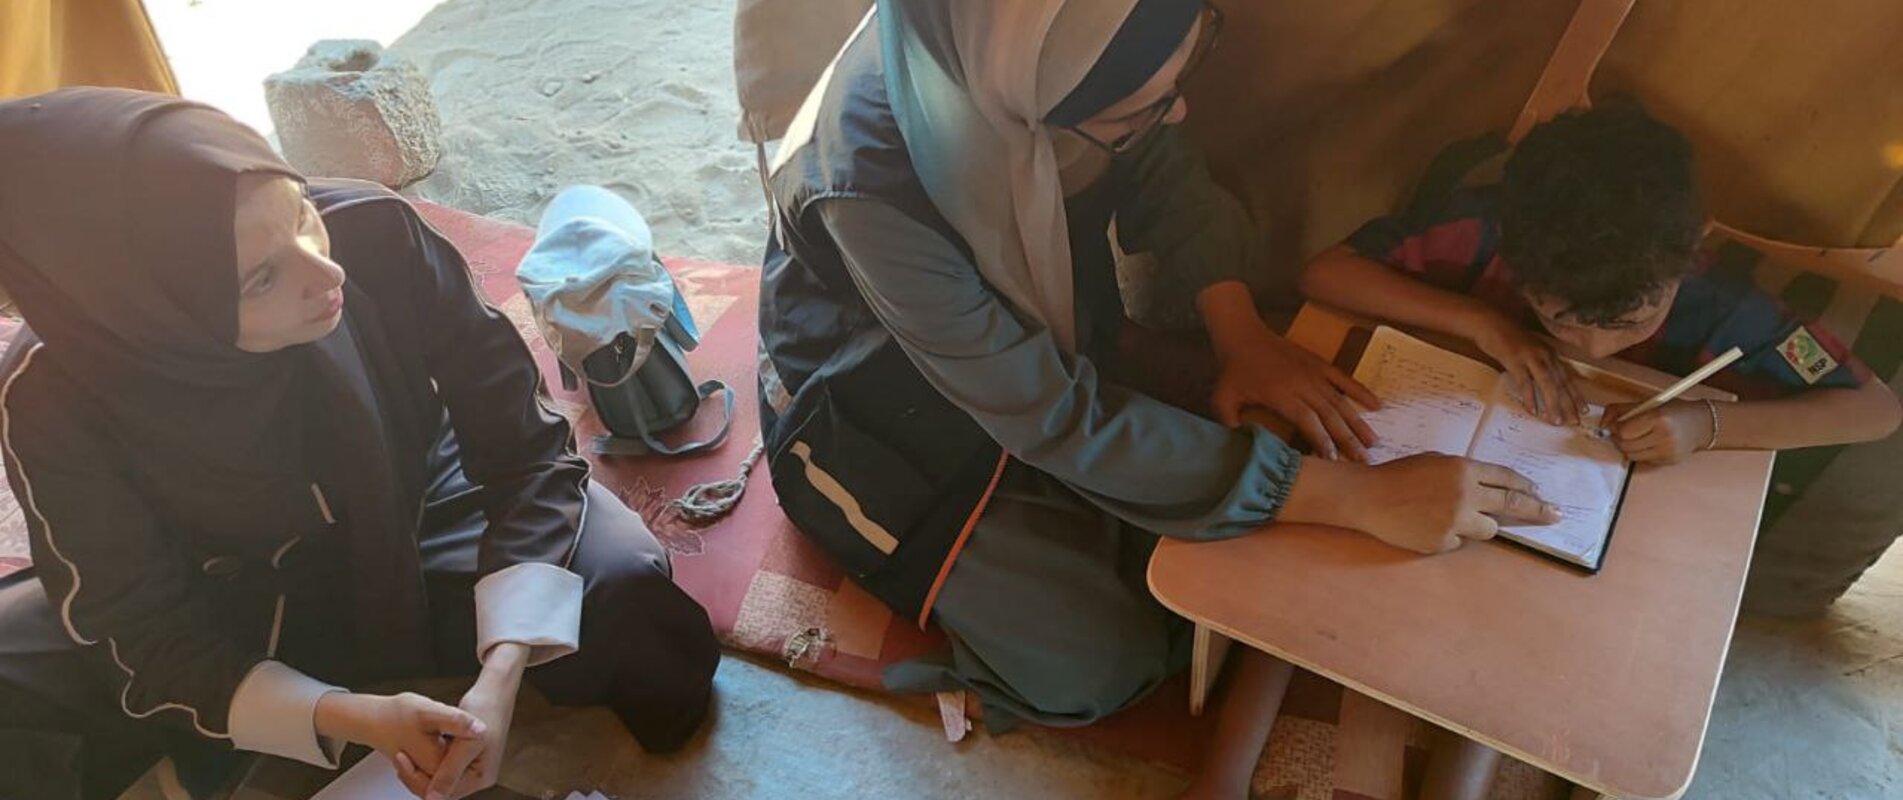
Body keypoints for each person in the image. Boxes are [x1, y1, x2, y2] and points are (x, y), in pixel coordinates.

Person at [755, 1, 1561, 797]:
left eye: (1181, 74)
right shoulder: (873, 193)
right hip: (864, 412)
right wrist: (1347, 496)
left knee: (1228, 490)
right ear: (1033, 108)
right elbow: (1054, 417)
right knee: (1096, 662)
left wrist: (1240, 337)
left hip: (1017, 364)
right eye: (1143, 109)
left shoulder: (1048, 38)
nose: (1177, 109)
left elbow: (1162, 166)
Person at [0, 88, 720, 800]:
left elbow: (525, 447)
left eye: (301, 214)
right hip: (222, 582)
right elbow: (138, 618)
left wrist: (500, 674)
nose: (326, 270)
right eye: (261, 278)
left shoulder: (373, 229)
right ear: (152, 318)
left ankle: (221, 735)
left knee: (627, 593)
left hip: (426, 506)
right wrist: (347, 716)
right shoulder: (54, 390)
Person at [1301, 104, 1901, 465]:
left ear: (1697, 243)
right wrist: (1485, 323)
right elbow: (1325, 273)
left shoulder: (1725, 307)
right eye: (1557, 318)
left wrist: (1704, 427)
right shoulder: (1490, 230)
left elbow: (1874, 410)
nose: (1588, 348)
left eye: (1630, 323)